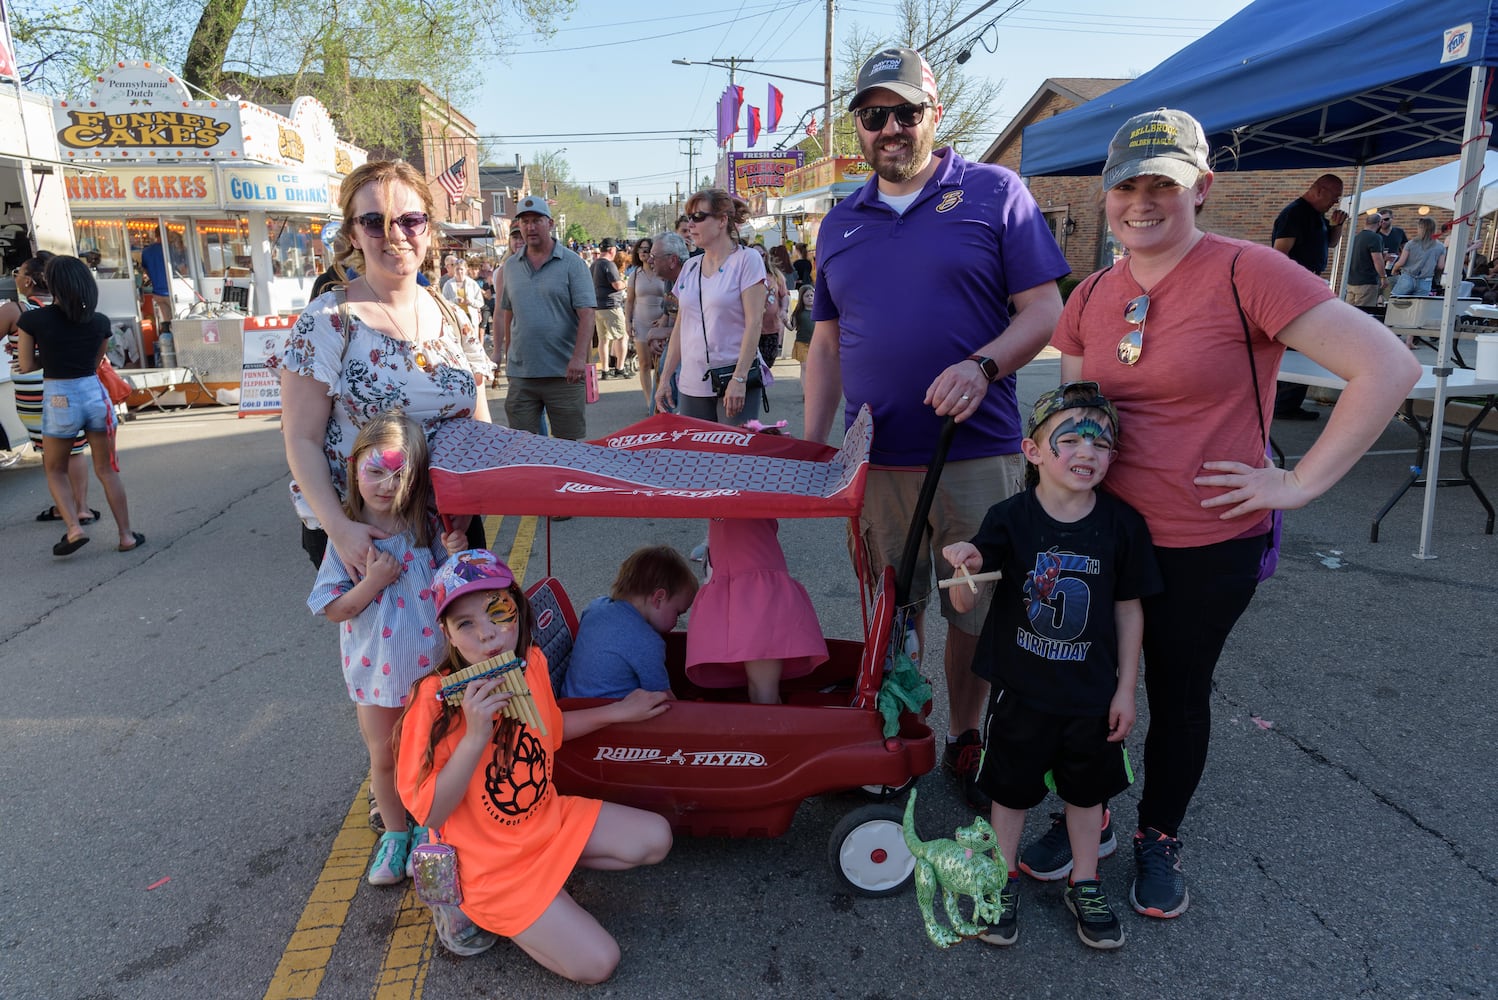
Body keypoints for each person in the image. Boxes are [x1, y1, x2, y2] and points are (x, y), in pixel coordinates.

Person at [1047, 108, 1419, 920]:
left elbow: (1388, 367)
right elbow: (1075, 417)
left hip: (1204, 539)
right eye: (1127, 187)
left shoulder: (1249, 271)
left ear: (1202, 188)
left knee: (1178, 691)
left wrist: (1298, 483)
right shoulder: (1093, 294)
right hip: (1103, 536)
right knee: (1085, 685)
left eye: (1163, 186)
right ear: (1106, 194)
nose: (1141, 202)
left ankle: (1159, 832)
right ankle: (1089, 813)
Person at [803, 46, 1069, 811]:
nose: (890, 128)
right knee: (890, 605)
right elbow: (824, 345)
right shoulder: (839, 222)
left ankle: (965, 734)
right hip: (875, 459)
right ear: (858, 127)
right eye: (873, 115)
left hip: (974, 454)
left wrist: (982, 367)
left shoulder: (993, 192)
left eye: (904, 112)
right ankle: (892, 727)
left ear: (933, 114)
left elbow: (1044, 310)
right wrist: (817, 447)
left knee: (971, 608)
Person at [943, 382, 1160, 950]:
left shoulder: (1122, 525)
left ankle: (1083, 880)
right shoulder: (1009, 518)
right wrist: (965, 566)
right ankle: (1003, 873)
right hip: (1022, 690)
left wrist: (1126, 691)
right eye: (1070, 438)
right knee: (1009, 793)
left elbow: (1129, 610)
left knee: (1088, 797)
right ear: (1033, 451)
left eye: (1102, 441)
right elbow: (966, 601)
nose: (1087, 451)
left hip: (1091, 694)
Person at [395, 549, 673, 979]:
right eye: (465, 624)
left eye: (497, 612)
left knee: (657, 837)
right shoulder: (432, 703)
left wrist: (617, 712)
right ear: (448, 635)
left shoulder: (533, 664)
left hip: (546, 823)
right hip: (491, 868)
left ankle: (549, 888)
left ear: (518, 611)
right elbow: (429, 812)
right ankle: (483, 911)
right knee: (599, 963)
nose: (487, 635)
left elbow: (551, 730)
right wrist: (473, 738)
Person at [279, 159, 494, 576]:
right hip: (367, 534)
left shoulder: (455, 318)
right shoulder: (328, 321)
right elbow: (301, 438)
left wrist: (472, 504)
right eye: (375, 221)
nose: (395, 235)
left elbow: (481, 427)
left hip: (454, 528)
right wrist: (339, 529)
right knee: (390, 644)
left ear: (428, 229)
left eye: (410, 220)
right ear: (354, 233)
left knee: (467, 640)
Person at [308, 410, 467, 881]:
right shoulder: (348, 539)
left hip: (431, 673)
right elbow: (333, 608)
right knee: (384, 755)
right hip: (376, 673)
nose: (385, 484)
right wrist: (373, 581)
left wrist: (454, 556)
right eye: (375, 470)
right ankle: (395, 834)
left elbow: (451, 589)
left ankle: (425, 827)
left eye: (400, 474)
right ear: (355, 467)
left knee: (430, 752)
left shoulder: (425, 530)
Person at [686, 423, 828, 704]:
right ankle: (767, 738)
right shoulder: (723, 492)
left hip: (759, 601)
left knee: (763, 691)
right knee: (758, 689)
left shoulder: (757, 491)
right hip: (745, 597)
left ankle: (773, 740)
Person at [16, 255, 143, 556]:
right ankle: (126, 536)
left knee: (55, 468)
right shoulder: (99, 322)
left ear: (52, 284)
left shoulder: (33, 320)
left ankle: (73, 528)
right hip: (93, 395)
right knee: (106, 470)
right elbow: (96, 361)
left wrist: (46, 357)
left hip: (60, 398)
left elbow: (25, 365)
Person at [653, 189, 767, 425]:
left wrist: (740, 378)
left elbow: (754, 322)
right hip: (692, 381)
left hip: (732, 377)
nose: (691, 225)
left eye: (698, 217)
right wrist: (665, 379)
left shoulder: (747, 260)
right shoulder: (691, 266)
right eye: (689, 218)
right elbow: (681, 326)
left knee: (734, 459)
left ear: (723, 220)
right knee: (698, 458)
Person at [2, 253, 94, 522]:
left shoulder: (15, 311)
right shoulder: (68, 307)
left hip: (33, 393)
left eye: (18, 272)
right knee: (74, 448)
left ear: (29, 281)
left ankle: (66, 510)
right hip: (69, 386)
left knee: (50, 452)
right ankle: (80, 507)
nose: (15, 277)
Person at [497, 194, 595, 439]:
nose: (530, 227)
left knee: (569, 447)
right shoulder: (510, 266)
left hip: (563, 374)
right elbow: (508, 313)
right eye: (525, 221)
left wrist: (578, 359)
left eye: (537, 220)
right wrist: (508, 356)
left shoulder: (573, 264)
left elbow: (587, 315)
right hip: (523, 375)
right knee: (523, 446)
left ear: (550, 224)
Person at [560, 544, 698, 699]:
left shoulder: (595, 607)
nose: (676, 621)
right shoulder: (647, 642)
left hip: (570, 702)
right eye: (678, 613)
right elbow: (663, 698)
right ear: (659, 598)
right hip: (609, 714)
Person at [1270, 173, 1349, 420]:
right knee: (1298, 344)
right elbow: (1279, 254)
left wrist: (1337, 226)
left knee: (1303, 345)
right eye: (1334, 197)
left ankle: (1287, 402)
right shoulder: (1294, 213)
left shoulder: (1316, 215)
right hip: (1294, 288)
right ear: (1319, 190)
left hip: (1309, 283)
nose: (1335, 202)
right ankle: (1283, 403)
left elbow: (1331, 244)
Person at [624, 236, 667, 413]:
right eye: (640, 249)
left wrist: (665, 318)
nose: (643, 252)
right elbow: (629, 301)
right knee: (644, 363)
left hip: (661, 323)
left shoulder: (661, 272)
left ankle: (662, 399)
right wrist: (628, 321)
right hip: (641, 322)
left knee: (661, 364)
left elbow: (671, 298)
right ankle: (649, 401)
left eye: (647, 249)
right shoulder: (634, 275)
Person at [591, 237, 629, 379]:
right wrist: (625, 282)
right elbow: (617, 285)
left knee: (603, 339)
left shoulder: (594, 265)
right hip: (611, 305)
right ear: (612, 250)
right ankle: (620, 367)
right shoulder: (609, 265)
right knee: (622, 337)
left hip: (598, 306)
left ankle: (606, 370)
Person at [1389, 216, 1446, 296]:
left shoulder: (1411, 243)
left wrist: (1394, 270)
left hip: (1407, 277)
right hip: (1426, 280)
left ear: (1420, 228)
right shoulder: (1440, 246)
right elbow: (1440, 266)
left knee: (1396, 302)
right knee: (1418, 306)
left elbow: (1401, 262)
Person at [1346, 213, 1388, 308]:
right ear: (1380, 223)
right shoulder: (1375, 238)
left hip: (1351, 282)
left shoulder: (1356, 238)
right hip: (1367, 282)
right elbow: (1377, 259)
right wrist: (1383, 277)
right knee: (1364, 313)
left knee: (1350, 313)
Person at [441, 258, 483, 338]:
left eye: (461, 269)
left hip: (470, 317)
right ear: (454, 270)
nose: (459, 272)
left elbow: (480, 302)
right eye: (457, 269)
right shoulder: (448, 285)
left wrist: (471, 301)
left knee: (473, 341)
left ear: (466, 270)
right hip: (456, 318)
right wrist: (455, 301)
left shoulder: (472, 284)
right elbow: (443, 302)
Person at [789, 282, 815, 389]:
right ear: (801, 298)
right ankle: (806, 391)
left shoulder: (818, 311)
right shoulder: (798, 313)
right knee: (804, 367)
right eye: (807, 296)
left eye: (811, 295)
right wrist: (785, 321)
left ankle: (813, 388)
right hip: (802, 343)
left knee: (814, 368)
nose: (809, 298)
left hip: (815, 343)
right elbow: (792, 327)